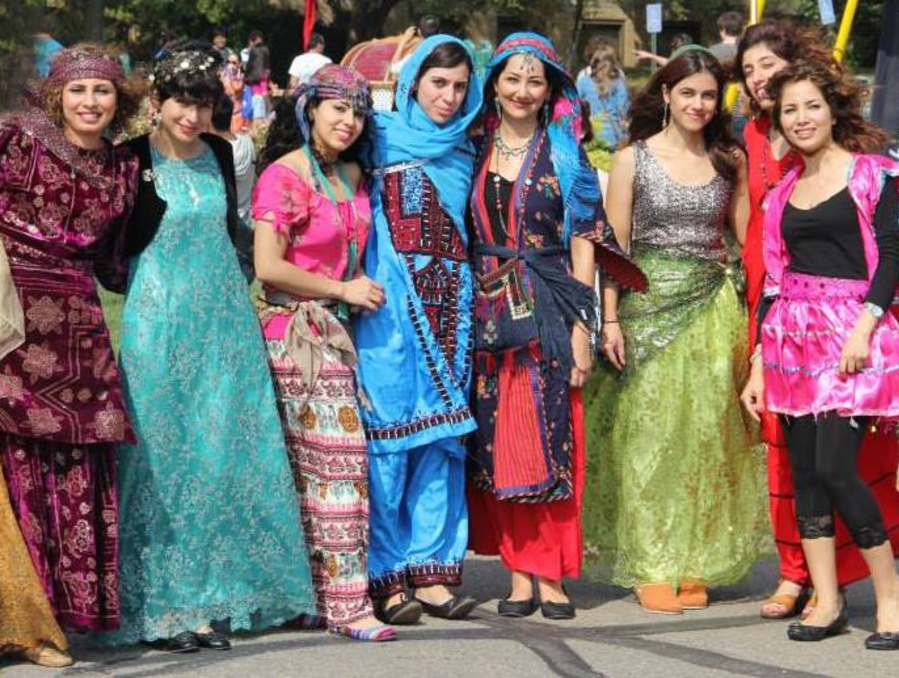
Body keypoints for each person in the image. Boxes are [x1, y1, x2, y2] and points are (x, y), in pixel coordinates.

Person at [108, 43, 316, 652]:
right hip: (156, 323)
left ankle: (215, 597)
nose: (191, 116)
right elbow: (110, 244)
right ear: (156, 102)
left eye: (202, 104)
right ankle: (163, 607)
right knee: (161, 462)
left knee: (222, 457)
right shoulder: (130, 160)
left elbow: (236, 234)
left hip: (223, 323)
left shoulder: (224, 155)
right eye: (180, 101)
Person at [466, 32, 645, 620]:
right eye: (512, 78)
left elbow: (584, 241)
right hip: (488, 312)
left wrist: (582, 328)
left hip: (548, 301)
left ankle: (553, 576)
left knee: (551, 438)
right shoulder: (471, 146)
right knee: (499, 442)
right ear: (494, 83)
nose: (522, 90)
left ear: (551, 91)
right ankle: (518, 574)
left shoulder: (566, 153)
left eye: (534, 80)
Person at [585, 45, 768, 615]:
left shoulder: (728, 160)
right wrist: (609, 319)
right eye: (687, 92)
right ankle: (651, 561)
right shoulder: (631, 161)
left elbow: (746, 242)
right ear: (666, 94)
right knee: (649, 437)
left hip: (714, 313)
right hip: (646, 308)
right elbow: (613, 248)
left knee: (703, 437)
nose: (698, 104)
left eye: (708, 95)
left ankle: (691, 559)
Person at [736, 19, 899, 620]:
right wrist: (758, 364)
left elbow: (892, 256)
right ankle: (826, 601)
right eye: (789, 111)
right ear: (777, 122)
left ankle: (889, 597)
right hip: (790, 344)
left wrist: (865, 326)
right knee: (806, 474)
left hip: (855, 337)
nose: (801, 117)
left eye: (811, 106)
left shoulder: (871, 174)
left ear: (833, 109)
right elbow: (773, 283)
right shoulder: (780, 195)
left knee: (835, 468)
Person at [0, 43, 143, 666]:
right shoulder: (15, 136)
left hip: (80, 320)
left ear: (120, 100)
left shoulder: (122, 168)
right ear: (55, 94)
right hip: (10, 310)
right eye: (79, 90)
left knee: (74, 465)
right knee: (15, 462)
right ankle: (17, 623)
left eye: (103, 91)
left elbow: (113, 261)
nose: (90, 102)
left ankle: (53, 621)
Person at [253, 65, 396, 642]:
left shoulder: (355, 173)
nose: (348, 121)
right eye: (337, 108)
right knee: (338, 466)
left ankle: (310, 598)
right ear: (308, 109)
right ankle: (347, 607)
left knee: (318, 472)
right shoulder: (282, 177)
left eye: (357, 112)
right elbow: (268, 266)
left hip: (339, 334)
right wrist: (341, 289)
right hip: (296, 336)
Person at [355, 35, 483, 624]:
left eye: (460, 86)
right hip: (385, 308)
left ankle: (433, 570)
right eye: (438, 83)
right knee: (387, 436)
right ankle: (386, 574)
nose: (449, 98)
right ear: (412, 83)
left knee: (439, 440)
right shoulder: (375, 139)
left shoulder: (468, 149)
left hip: (449, 308)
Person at [577, 41, 629, 150]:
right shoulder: (619, 83)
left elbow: (575, 107)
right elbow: (623, 111)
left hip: (590, 136)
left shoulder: (583, 81)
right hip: (613, 137)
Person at [244, 30, 271, 128]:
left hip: (253, 87)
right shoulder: (264, 50)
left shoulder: (255, 51)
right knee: (260, 118)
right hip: (260, 89)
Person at [222, 52, 249, 132]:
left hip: (237, 113)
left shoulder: (242, 77)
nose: (230, 65)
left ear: (239, 64)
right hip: (224, 112)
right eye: (228, 62)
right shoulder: (222, 75)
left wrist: (228, 77)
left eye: (234, 63)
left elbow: (235, 90)